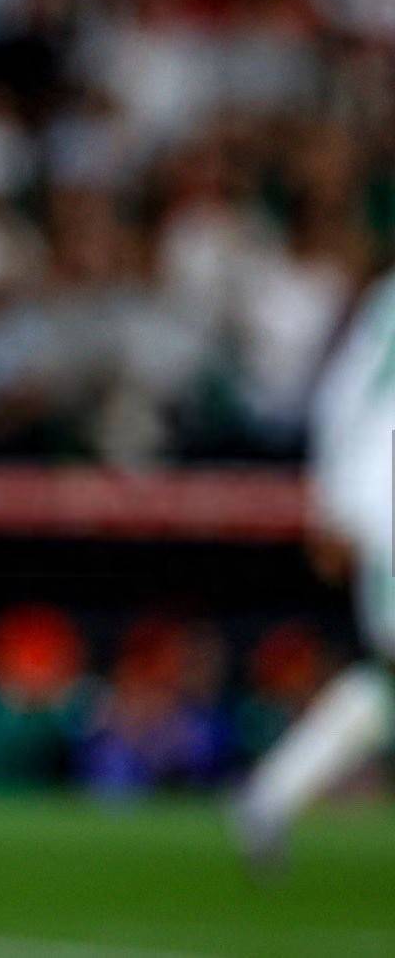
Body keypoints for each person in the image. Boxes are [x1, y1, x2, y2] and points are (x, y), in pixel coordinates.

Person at [236, 268, 395, 874]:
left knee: (386, 684)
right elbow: (351, 393)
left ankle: (270, 796)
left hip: (371, 502)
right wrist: (332, 504)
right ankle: (270, 797)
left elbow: (345, 392)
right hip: (382, 505)